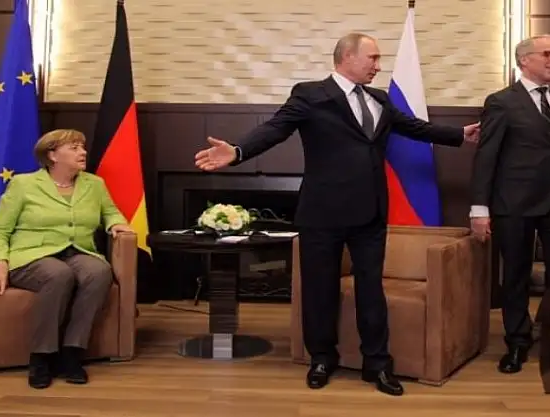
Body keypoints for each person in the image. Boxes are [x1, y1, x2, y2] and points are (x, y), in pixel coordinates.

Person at [195, 32, 479, 396]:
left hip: (370, 213)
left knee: (371, 290)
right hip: (323, 213)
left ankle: (377, 363)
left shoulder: (379, 99)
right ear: (347, 57)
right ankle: (321, 358)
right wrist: (237, 151)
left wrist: (458, 134)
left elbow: (414, 128)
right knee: (320, 290)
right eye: (373, 58)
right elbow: (275, 129)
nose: (378, 66)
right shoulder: (310, 95)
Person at [0, 129, 133, 389]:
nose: (83, 152)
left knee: (99, 271)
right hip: (31, 255)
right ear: (52, 155)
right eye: (74, 148)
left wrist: (116, 224)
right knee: (58, 274)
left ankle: (72, 352)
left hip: (77, 251)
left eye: (82, 147)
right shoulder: (23, 184)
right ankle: (41, 357)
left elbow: (110, 212)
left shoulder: (94, 184)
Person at [469, 34, 550, 374]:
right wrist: (479, 208)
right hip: (512, 204)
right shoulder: (501, 101)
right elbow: (486, 157)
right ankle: (517, 341)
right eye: (547, 54)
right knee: (515, 274)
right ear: (524, 60)